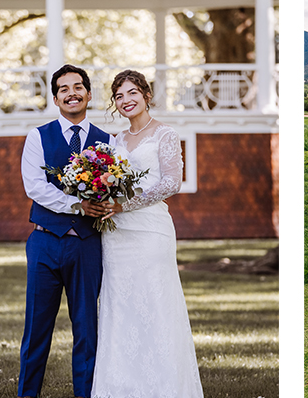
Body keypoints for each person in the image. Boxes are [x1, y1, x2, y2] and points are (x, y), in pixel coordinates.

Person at [89, 69, 203, 397]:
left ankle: (165, 387)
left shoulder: (164, 135)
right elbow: (108, 181)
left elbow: (171, 182)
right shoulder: (115, 141)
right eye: (119, 96)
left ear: (146, 95)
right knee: (119, 307)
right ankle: (122, 387)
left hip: (151, 231)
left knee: (156, 302)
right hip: (117, 234)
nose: (126, 100)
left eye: (132, 93)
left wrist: (127, 205)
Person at [19, 64, 115, 398]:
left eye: (78, 87)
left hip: (88, 246)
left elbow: (114, 188)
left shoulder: (108, 141)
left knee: (87, 329)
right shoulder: (38, 136)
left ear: (89, 94)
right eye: (63, 89)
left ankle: (86, 394)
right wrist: (77, 206)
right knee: (36, 329)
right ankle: (27, 394)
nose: (71, 93)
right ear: (56, 98)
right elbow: (35, 187)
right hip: (45, 241)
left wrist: (105, 204)